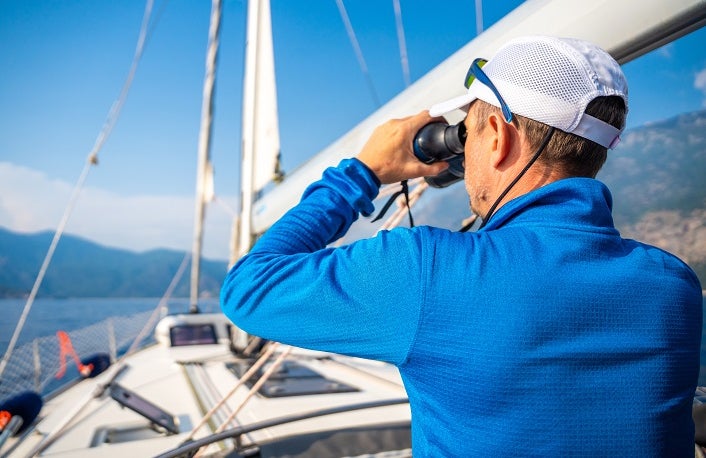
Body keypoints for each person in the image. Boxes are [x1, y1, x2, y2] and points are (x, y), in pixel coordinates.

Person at [221, 36, 703, 456]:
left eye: (467, 133)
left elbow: (248, 289)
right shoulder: (673, 283)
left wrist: (361, 174)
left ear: (496, 137)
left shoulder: (427, 270)